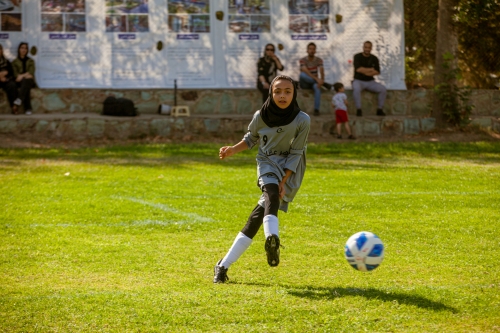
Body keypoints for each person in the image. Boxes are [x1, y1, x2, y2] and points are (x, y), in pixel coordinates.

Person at [213, 75, 310, 283]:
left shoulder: (303, 120)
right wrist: (232, 150)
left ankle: (222, 266)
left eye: (287, 91)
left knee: (256, 218)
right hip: (266, 162)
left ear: (294, 94)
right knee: (272, 195)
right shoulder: (261, 115)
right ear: (270, 93)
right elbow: (250, 138)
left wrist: (284, 180)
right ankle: (271, 239)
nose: (282, 95)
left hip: (290, 167)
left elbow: (296, 152)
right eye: (277, 91)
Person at [352, 41, 386, 117]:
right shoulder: (357, 56)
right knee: (356, 89)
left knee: (383, 89)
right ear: (363, 47)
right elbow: (358, 69)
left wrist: (365, 72)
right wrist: (371, 69)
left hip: (370, 82)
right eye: (365, 47)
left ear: (371, 48)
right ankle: (359, 109)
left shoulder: (374, 58)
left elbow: (377, 72)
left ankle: (379, 109)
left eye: (369, 47)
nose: (367, 49)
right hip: (358, 80)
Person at [298, 42, 332, 116]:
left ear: (315, 51)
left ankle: (316, 110)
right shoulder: (303, 60)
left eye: (313, 49)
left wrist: (322, 80)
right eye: (310, 49)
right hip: (305, 83)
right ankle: (324, 84)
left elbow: (322, 71)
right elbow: (305, 71)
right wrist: (317, 79)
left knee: (317, 88)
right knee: (302, 75)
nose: (312, 50)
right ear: (307, 50)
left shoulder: (319, 60)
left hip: (314, 83)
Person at [12, 42, 36, 115]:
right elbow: (15, 75)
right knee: (26, 85)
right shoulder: (14, 62)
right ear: (19, 49)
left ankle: (19, 100)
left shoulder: (31, 61)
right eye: (22, 48)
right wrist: (25, 75)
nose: (24, 50)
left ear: (27, 50)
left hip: (29, 81)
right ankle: (28, 108)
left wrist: (22, 76)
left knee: (27, 81)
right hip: (20, 82)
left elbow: (31, 73)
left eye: (25, 48)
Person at [0, 44, 19, 114]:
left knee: (12, 85)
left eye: (0, 49)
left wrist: (5, 74)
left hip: (5, 81)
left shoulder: (6, 61)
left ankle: (14, 106)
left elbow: (11, 72)